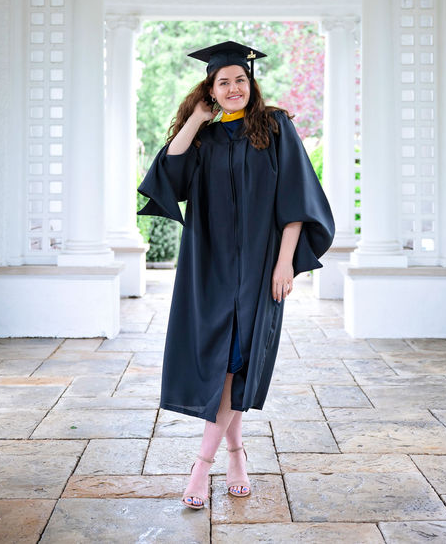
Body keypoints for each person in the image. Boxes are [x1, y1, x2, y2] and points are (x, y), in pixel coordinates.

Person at [137, 40, 335, 510]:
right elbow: (168, 174)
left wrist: (286, 262)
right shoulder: (203, 138)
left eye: (240, 80)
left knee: (237, 359)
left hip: (261, 265)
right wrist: (195, 119)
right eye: (222, 82)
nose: (233, 88)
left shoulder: (275, 127)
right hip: (209, 264)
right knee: (228, 363)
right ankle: (236, 454)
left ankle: (200, 465)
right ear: (210, 89)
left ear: (252, 83)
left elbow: (296, 200)